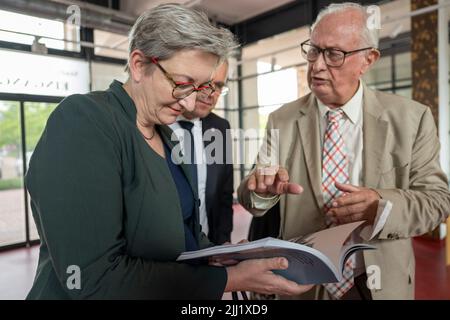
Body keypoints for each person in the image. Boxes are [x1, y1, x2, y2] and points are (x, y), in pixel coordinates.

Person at [25, 4, 313, 299]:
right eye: (182, 84)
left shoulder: (168, 137)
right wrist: (228, 279)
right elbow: (94, 280)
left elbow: (181, 234)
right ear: (138, 64)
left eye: (200, 88)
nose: (190, 104)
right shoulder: (84, 121)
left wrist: (214, 253)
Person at [238, 2, 450, 300]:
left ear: (368, 60)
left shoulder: (412, 119)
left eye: (334, 54)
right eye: (313, 50)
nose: (317, 65)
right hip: (302, 286)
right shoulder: (281, 120)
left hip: (377, 283)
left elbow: (437, 201)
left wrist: (381, 205)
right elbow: (251, 199)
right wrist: (261, 190)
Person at [169, 61, 233, 245]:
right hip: (163, 257)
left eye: (219, 86)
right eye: (206, 82)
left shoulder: (220, 128)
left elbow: (224, 195)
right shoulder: (156, 124)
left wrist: (223, 245)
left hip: (208, 248)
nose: (211, 94)